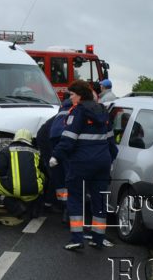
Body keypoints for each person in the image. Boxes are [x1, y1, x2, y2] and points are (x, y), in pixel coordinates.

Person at [50, 80, 118, 251]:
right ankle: (98, 238)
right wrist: (110, 160)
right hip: (102, 163)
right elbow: (111, 142)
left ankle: (77, 239)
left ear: (79, 95)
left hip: (81, 163)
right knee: (99, 200)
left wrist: (56, 156)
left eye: (72, 94)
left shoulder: (77, 112)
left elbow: (68, 139)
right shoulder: (103, 111)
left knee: (75, 199)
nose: (70, 97)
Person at [0, 129, 46, 218]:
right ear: (30, 139)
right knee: (42, 177)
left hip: (13, 189)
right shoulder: (36, 152)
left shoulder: (6, 151)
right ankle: (36, 206)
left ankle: (16, 208)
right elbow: (44, 170)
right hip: (34, 190)